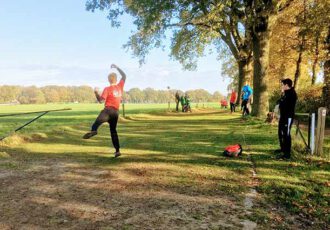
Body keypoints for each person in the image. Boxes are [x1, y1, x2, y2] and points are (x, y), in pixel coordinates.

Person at [83, 64, 126, 158]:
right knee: (113, 131)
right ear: (116, 79)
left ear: (108, 80)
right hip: (115, 113)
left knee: (95, 124)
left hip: (107, 111)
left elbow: (101, 101)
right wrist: (117, 67)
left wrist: (96, 93)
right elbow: (124, 75)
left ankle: (94, 131)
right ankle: (117, 150)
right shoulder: (120, 87)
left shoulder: (107, 89)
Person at [275, 78, 297, 160]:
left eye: (283, 84)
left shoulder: (292, 94)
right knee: (280, 132)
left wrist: (281, 102)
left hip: (288, 117)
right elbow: (279, 102)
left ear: (286, 85)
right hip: (283, 117)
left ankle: (287, 154)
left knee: (286, 134)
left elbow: (285, 105)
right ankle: (283, 149)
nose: (282, 86)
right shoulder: (286, 93)